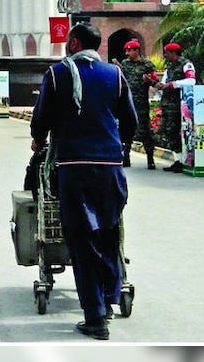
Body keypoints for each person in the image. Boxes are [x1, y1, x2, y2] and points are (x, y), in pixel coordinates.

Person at [29, 22, 136, 341]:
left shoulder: (57, 74)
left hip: (75, 168)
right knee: (109, 231)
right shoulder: (114, 75)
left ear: (74, 43)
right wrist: (119, 148)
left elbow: (42, 118)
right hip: (110, 169)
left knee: (84, 241)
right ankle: (106, 301)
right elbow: (130, 122)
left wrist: (37, 139)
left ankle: (95, 320)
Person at [115, 39, 158, 169]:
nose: (127, 53)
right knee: (126, 129)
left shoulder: (147, 65)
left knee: (144, 130)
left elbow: (155, 81)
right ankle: (126, 157)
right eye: (126, 51)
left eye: (129, 50)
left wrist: (149, 80)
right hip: (127, 102)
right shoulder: (125, 64)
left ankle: (150, 158)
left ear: (136, 51)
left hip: (141, 103)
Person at [156, 42, 196, 172]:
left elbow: (191, 81)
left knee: (175, 131)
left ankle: (183, 160)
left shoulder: (186, 64)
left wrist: (173, 84)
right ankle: (177, 160)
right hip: (168, 105)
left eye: (167, 53)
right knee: (168, 131)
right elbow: (164, 83)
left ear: (173, 53)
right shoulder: (170, 67)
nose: (165, 56)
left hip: (180, 105)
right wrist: (160, 85)